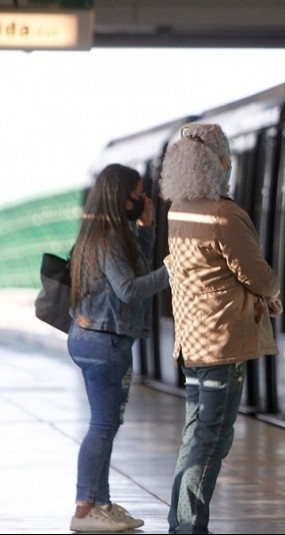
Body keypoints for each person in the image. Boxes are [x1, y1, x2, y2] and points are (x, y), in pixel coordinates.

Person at [159, 122, 282, 534]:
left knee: (196, 435)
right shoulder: (224, 214)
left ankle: (181, 521)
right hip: (223, 344)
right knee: (211, 440)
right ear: (220, 164)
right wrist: (271, 292)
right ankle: (188, 526)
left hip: (192, 343)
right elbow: (257, 275)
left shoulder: (178, 209)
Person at [67, 163, 169, 532]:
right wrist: (176, 269)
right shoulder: (108, 238)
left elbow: (134, 271)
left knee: (106, 424)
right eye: (137, 194)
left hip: (97, 337)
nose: (142, 199)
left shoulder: (108, 233)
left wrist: (147, 229)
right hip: (103, 340)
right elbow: (129, 288)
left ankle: (101, 502)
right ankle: (84, 509)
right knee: (103, 425)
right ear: (118, 196)